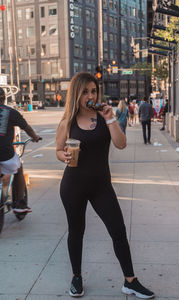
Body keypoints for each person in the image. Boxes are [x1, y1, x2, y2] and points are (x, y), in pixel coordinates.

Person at [56, 72, 154, 299]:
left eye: (93, 91)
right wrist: (65, 157)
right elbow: (59, 151)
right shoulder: (67, 122)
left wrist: (110, 118)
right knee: (76, 232)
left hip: (101, 186)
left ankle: (130, 281)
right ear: (76, 95)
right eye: (85, 92)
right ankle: (76, 277)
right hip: (73, 186)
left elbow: (121, 144)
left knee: (118, 231)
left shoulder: (104, 117)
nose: (90, 96)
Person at [0, 87, 41, 213]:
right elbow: (27, 128)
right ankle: (20, 204)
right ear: (4, 98)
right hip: (5, 154)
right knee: (18, 168)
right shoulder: (11, 112)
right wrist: (35, 137)